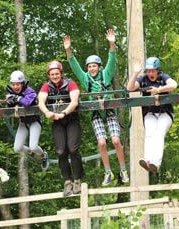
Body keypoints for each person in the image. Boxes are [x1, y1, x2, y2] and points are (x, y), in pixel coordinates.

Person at [63, 29, 129, 186]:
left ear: (99, 67)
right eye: (89, 66)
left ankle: (123, 170)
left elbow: (111, 61)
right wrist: (68, 50)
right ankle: (108, 172)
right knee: (101, 143)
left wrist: (112, 44)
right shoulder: (86, 79)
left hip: (109, 111)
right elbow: (75, 66)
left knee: (115, 140)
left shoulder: (105, 75)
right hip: (96, 114)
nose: (92, 68)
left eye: (94, 66)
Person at [38, 61, 84, 196]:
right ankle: (67, 181)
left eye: (57, 74)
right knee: (61, 151)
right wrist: (47, 112)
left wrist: (64, 113)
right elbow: (40, 101)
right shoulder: (46, 86)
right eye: (52, 74)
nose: (55, 76)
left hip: (71, 119)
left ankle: (77, 179)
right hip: (57, 121)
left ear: (61, 74)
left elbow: (74, 101)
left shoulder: (70, 83)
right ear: (49, 75)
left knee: (73, 149)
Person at [126, 57, 178, 173]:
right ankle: (148, 160)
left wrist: (159, 90)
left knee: (159, 133)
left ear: (157, 71)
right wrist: (135, 73)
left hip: (165, 113)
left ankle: (156, 162)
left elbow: (173, 85)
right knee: (150, 133)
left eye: (153, 71)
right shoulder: (143, 79)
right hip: (150, 112)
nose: (150, 73)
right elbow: (129, 88)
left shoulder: (163, 77)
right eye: (148, 71)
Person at [5, 70, 49, 171]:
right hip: (23, 122)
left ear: (22, 83)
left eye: (18, 84)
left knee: (33, 146)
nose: (15, 87)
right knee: (17, 148)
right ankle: (31, 152)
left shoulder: (30, 91)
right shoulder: (12, 93)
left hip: (34, 121)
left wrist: (17, 98)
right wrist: (10, 101)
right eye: (13, 84)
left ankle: (43, 155)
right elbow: (10, 106)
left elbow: (27, 102)